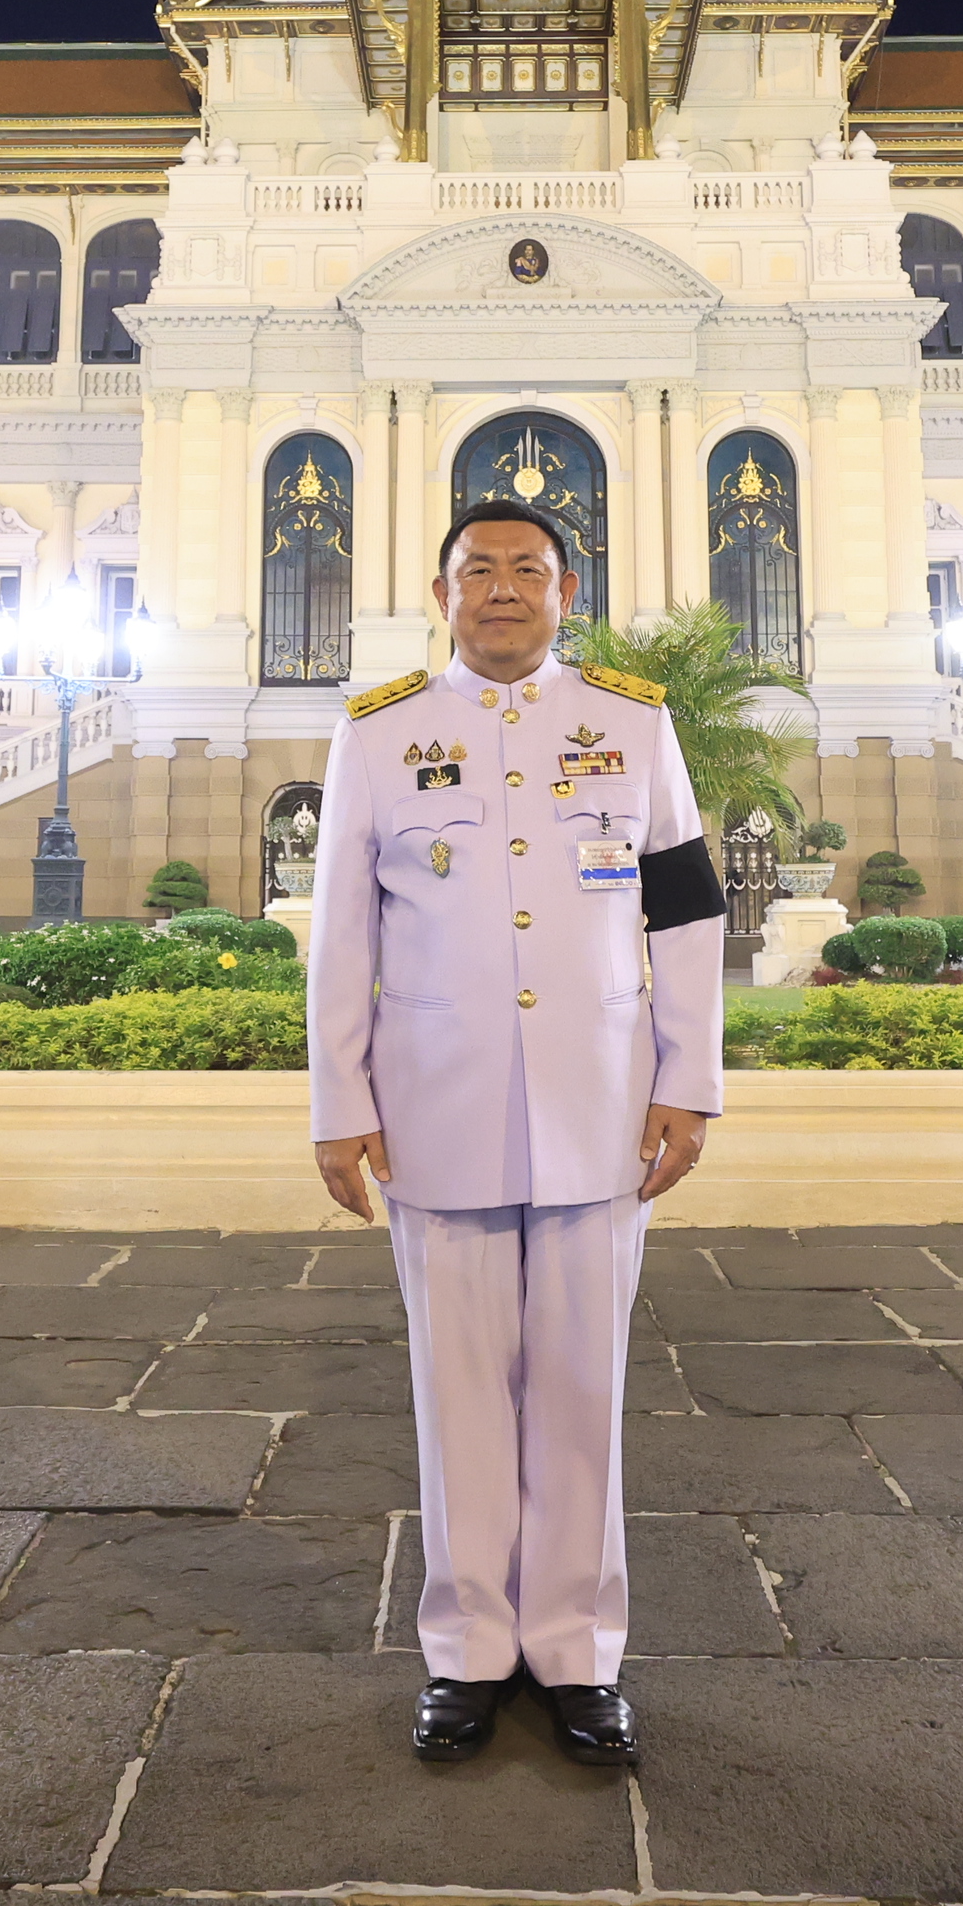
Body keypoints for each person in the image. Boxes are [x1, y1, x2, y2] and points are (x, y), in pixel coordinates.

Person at [306, 496, 727, 1765]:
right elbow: (342, 938)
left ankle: (578, 1651)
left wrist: (689, 1078)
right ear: (441, 595)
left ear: (566, 592)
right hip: (439, 1103)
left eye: (526, 571)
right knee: (457, 1389)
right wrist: (340, 1103)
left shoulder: (635, 726)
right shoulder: (381, 738)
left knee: (585, 1384)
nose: (501, 588)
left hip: (600, 1101)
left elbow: (688, 911)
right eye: (477, 570)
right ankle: (468, 1650)